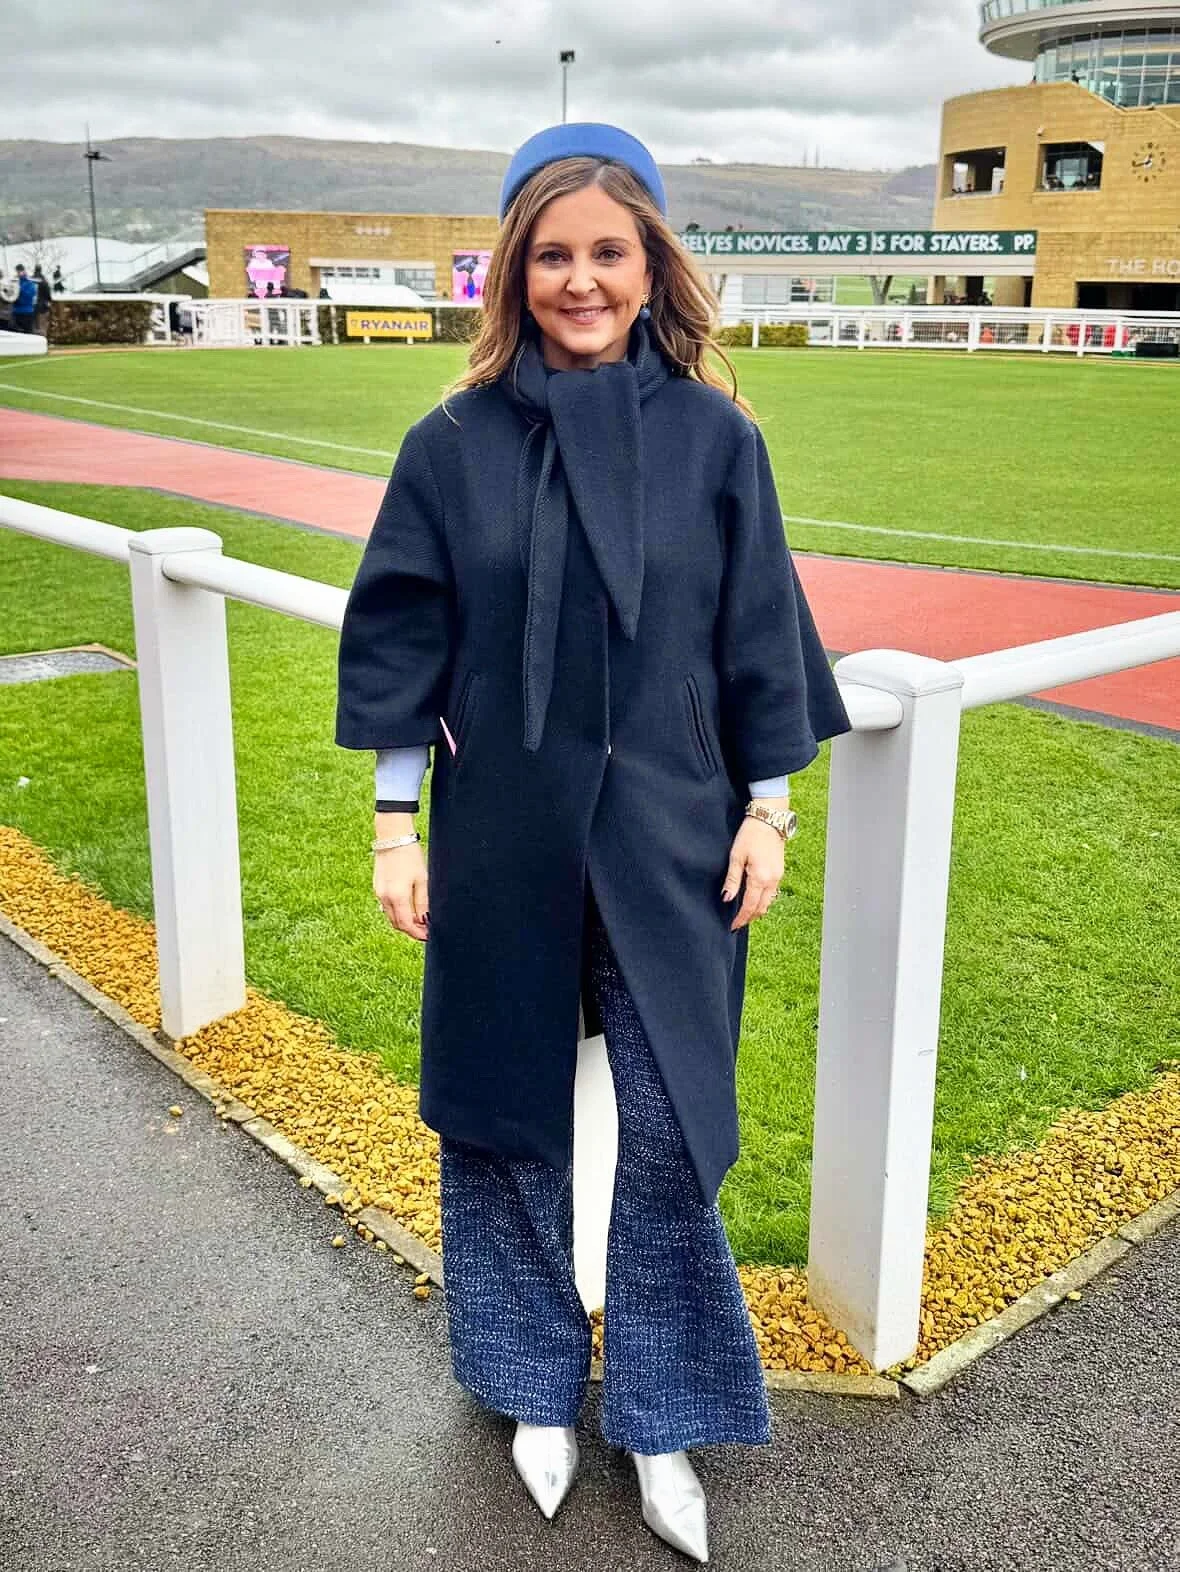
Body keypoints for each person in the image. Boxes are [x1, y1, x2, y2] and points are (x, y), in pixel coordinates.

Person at [334, 122, 850, 1562]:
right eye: (551, 255)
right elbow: (402, 642)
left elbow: (759, 637)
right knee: (504, 1112)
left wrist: (769, 804)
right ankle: (528, 1384)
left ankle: (669, 1407)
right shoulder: (449, 445)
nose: (580, 279)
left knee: (673, 1127)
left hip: (677, 837)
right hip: (500, 832)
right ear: (514, 270)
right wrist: (394, 826)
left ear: (650, 265)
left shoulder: (714, 437)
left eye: (606, 253)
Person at [11, 264, 37, 332]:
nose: (18, 273)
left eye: (20, 271)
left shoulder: (30, 283)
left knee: (27, 334)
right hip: (17, 312)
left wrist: (19, 289)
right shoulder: (14, 282)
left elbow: (30, 294)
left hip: (26, 312)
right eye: (17, 271)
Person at [33, 265, 52, 337]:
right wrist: (49, 300)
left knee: (34, 326)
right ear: (41, 270)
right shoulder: (44, 280)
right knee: (43, 325)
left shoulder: (31, 279)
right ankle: (43, 340)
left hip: (32, 307)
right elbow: (48, 293)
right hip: (43, 306)